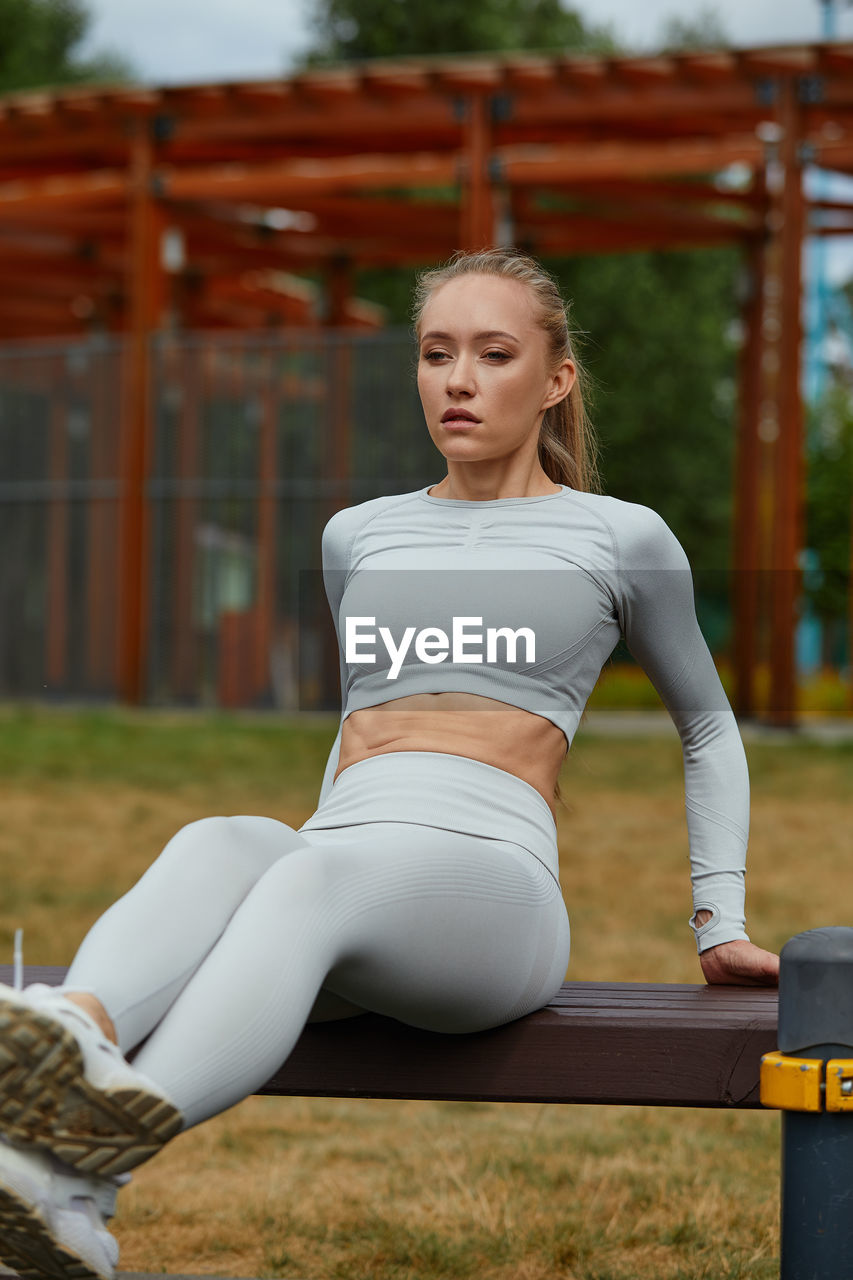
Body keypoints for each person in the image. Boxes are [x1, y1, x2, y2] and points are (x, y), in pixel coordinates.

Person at [0, 247, 779, 1280]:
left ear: (554, 379)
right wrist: (313, 859)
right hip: (345, 874)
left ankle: (79, 1174)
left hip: (492, 895)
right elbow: (361, 722)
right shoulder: (359, 534)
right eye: (435, 353)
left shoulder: (618, 537)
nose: (457, 380)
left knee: (309, 875)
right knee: (221, 838)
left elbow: (708, 727)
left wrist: (718, 917)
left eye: (493, 354)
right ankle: (63, 1038)